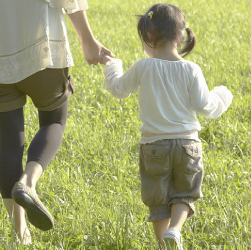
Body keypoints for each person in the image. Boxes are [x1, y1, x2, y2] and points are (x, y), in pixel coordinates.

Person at [0, 0, 114, 244]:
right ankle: (27, 183)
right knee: (54, 122)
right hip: (42, 54)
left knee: (9, 139)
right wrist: (88, 40)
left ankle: (21, 234)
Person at [100, 3, 233, 249]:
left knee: (157, 200)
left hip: (153, 145)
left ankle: (164, 244)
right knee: (185, 192)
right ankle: (175, 229)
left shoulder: (143, 66)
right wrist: (222, 95)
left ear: (150, 36)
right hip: (187, 144)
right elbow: (206, 106)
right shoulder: (191, 69)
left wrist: (112, 65)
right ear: (180, 36)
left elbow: (118, 89)